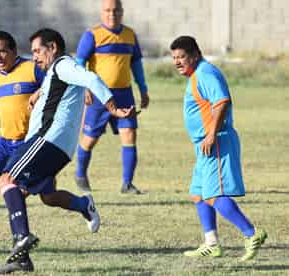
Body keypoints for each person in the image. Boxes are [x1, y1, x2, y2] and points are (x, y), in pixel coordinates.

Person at [0, 28, 136, 274]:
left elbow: (91, 79)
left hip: (47, 140)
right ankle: (82, 206)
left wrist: (112, 107)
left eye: (38, 51)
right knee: (47, 196)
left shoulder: (62, 64)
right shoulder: (57, 71)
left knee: (7, 180)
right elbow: (70, 85)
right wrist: (40, 93)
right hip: (59, 147)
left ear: (53, 48)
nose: (35, 57)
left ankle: (21, 238)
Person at [170, 35, 267, 261]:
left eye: (181, 57)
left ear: (194, 55)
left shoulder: (205, 73)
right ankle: (211, 243)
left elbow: (222, 101)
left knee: (214, 196)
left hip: (216, 142)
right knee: (198, 194)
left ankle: (252, 233)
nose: (177, 62)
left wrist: (212, 134)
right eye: (174, 57)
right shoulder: (196, 75)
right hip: (204, 145)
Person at [0, 31, 45, 254]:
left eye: (2, 51)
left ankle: (21, 238)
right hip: (5, 141)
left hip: (29, 142)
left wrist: (40, 91)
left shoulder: (33, 69)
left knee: (46, 195)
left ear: (13, 50)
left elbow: (55, 83)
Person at [74, 0, 150, 194]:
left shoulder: (130, 35)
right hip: (99, 96)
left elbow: (137, 65)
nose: (112, 14)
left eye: (116, 10)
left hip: (124, 94)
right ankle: (80, 174)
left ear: (121, 12)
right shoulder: (92, 35)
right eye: (108, 10)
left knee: (130, 134)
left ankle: (127, 184)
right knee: (90, 138)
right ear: (102, 12)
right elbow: (79, 63)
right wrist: (85, 88)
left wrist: (143, 89)